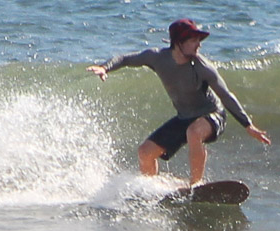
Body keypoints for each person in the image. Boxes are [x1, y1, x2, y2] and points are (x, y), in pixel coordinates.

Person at [88, 19, 270, 185]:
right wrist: (105, 67)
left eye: (199, 40)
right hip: (185, 117)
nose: (199, 45)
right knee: (145, 152)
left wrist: (248, 125)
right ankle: (150, 189)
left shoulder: (203, 67)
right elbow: (125, 59)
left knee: (194, 132)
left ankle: (196, 184)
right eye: (193, 40)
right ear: (179, 42)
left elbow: (226, 96)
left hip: (212, 114)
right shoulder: (157, 57)